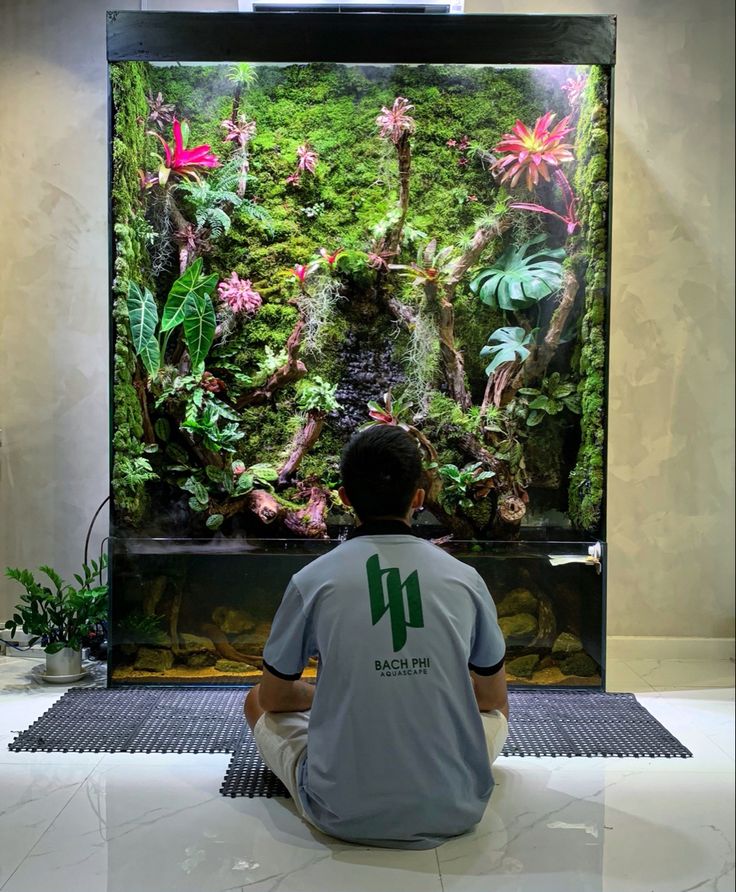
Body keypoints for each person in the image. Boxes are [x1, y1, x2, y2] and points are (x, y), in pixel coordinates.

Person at [244, 424, 509, 849]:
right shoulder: (465, 579)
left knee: (255, 699)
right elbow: (491, 698)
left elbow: (275, 698)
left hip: (340, 812)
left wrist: (326, 693)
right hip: (459, 808)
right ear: (419, 497)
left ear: (344, 498)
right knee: (494, 715)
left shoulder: (311, 581)